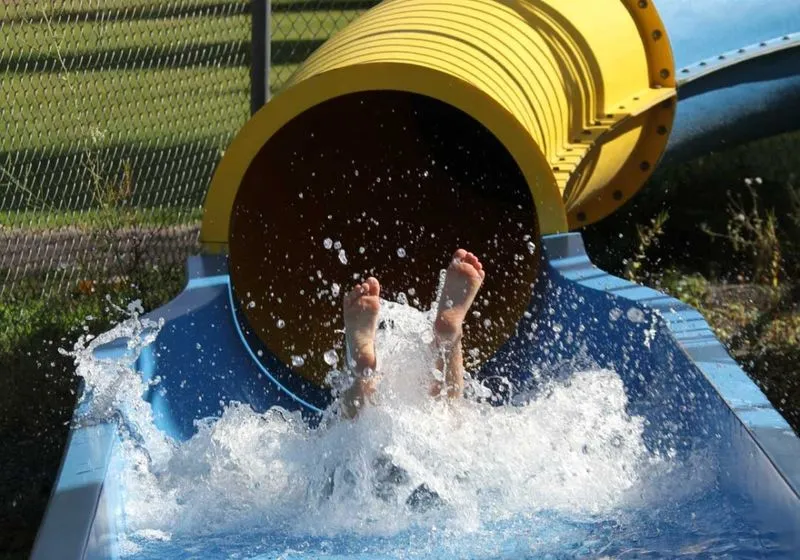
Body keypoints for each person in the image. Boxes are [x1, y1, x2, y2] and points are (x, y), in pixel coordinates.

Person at [339, 249, 485, 418]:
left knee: (348, 424)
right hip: (435, 440)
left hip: (361, 440)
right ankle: (449, 340)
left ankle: (362, 374)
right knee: (449, 412)